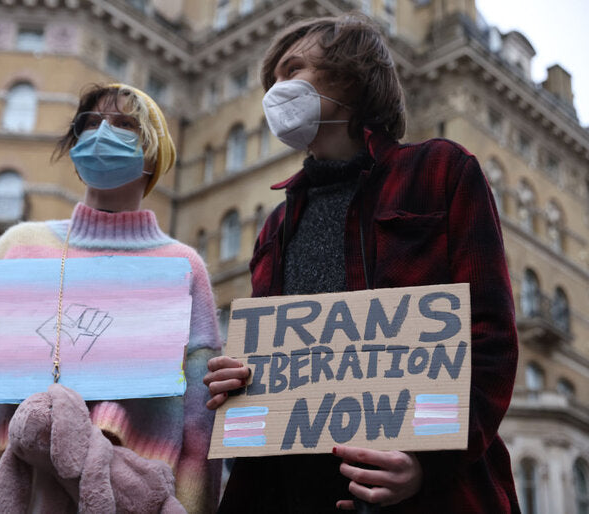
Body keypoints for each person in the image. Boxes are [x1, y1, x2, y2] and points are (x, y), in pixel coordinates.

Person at [203, 13, 519, 513]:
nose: (277, 91)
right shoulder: (272, 229)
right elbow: (273, 373)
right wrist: (237, 380)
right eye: (273, 80)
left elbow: (490, 335)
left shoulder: (441, 171)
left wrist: (425, 464)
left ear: (353, 75)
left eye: (293, 69)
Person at [0, 84, 221, 513]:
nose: (102, 133)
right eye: (90, 124)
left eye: (124, 125)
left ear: (154, 153)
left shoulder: (184, 267)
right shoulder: (19, 245)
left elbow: (199, 423)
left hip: (128, 490)